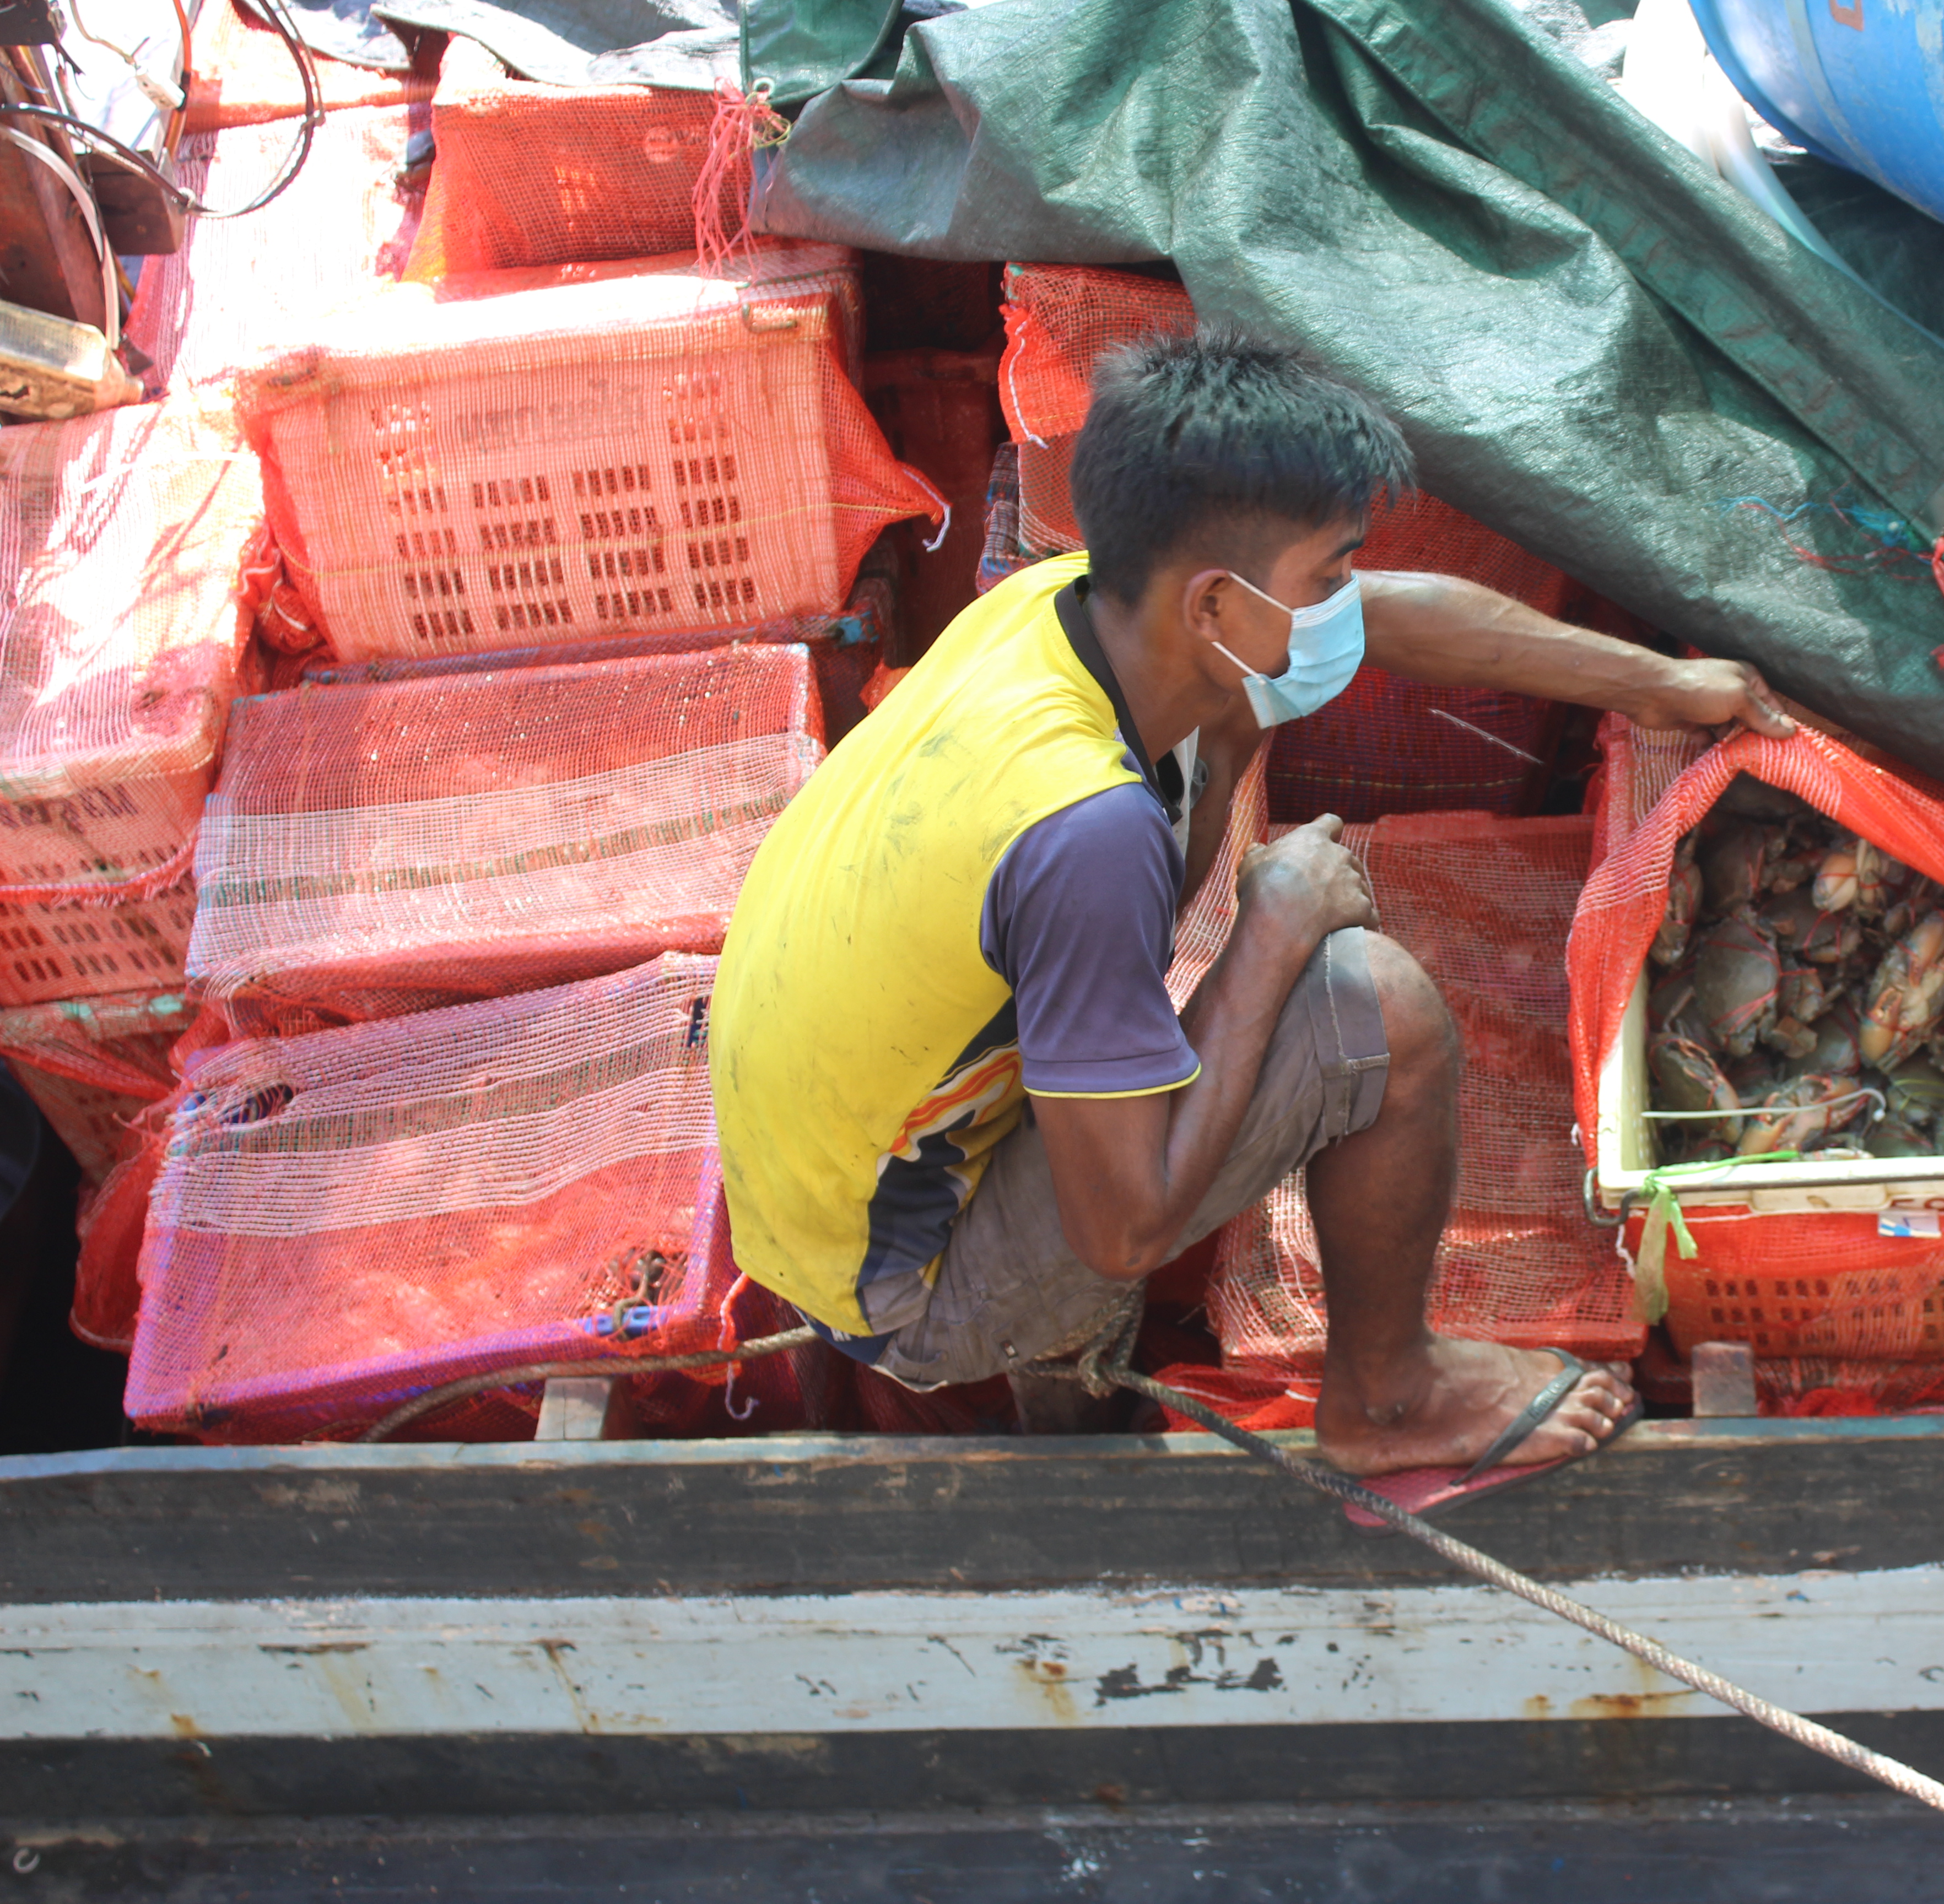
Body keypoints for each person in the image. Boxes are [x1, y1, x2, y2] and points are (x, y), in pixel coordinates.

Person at [712, 329, 1790, 1495]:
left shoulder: (1070, 607)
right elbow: (1121, 1234)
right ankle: (1386, 1399)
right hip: (903, 1278)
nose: (1342, 603)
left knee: (1238, 731)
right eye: (1324, 577)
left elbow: (1394, 618)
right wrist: (1269, 930)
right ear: (1217, 601)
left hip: (864, 1156)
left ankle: (1071, 1359)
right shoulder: (1086, 829)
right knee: (1374, 1005)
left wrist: (1667, 685)